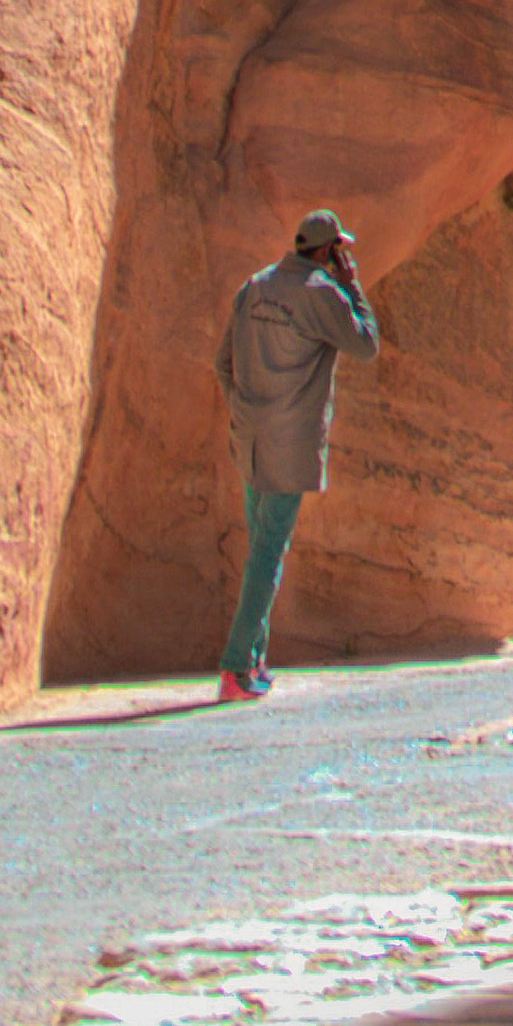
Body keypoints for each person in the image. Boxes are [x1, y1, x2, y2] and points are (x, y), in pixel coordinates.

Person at [213, 209, 379, 699]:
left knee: (261, 547)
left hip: (250, 436)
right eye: (338, 249)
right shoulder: (323, 293)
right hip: (289, 443)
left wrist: (245, 408)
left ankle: (255, 658)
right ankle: (235, 668)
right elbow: (366, 344)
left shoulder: (255, 286)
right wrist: (353, 286)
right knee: (268, 551)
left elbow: (223, 363)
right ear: (329, 250)